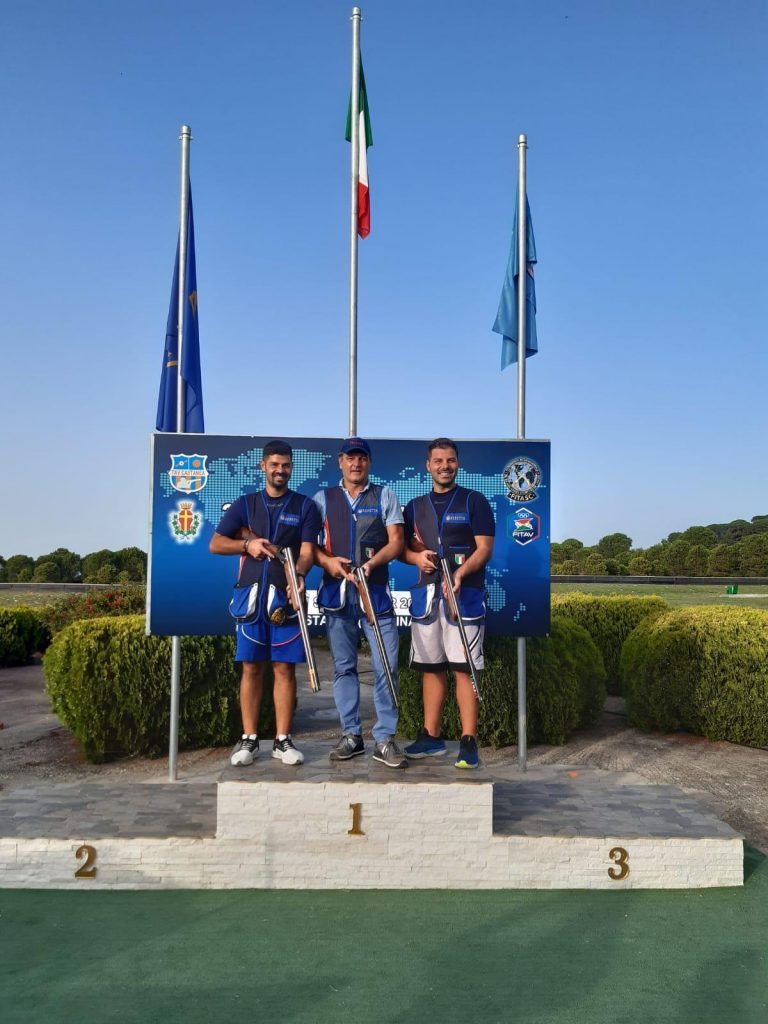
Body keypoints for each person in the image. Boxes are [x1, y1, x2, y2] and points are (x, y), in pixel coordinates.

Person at [209, 439, 320, 767]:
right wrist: (248, 544)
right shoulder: (245, 505)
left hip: (284, 598)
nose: (280, 470)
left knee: (284, 668)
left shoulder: (305, 507)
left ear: (291, 467)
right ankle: (250, 739)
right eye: (274, 464)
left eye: (285, 465)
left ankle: (283, 740)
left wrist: (298, 575)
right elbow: (216, 544)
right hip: (250, 599)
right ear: (263, 466)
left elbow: (308, 551)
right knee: (251, 667)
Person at [313, 437, 407, 769]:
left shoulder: (385, 495)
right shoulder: (323, 498)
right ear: (340, 461)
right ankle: (352, 736)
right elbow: (310, 547)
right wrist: (327, 563)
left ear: (369, 463)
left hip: (375, 596)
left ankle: (384, 739)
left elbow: (396, 543)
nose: (356, 464)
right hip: (338, 598)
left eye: (362, 458)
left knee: (386, 666)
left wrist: (372, 563)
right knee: (344, 668)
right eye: (350, 458)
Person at [401, 438, 495, 769]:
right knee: (431, 668)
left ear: (458, 464)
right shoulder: (413, 507)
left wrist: (460, 573)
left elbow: (484, 549)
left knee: (464, 668)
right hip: (426, 597)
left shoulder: (475, 501)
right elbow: (402, 549)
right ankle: (431, 737)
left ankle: (469, 741)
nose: (445, 466)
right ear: (427, 466)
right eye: (438, 460)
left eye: (450, 460)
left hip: (464, 597)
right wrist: (416, 557)